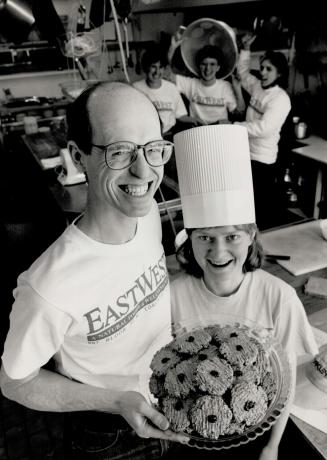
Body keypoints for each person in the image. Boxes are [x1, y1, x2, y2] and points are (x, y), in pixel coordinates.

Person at [0, 81, 189, 459]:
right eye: (120, 151)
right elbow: (16, 382)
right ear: (77, 154)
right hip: (107, 435)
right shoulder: (48, 287)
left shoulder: (149, 215)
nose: (144, 171)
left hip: (170, 397)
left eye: (154, 149)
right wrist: (117, 401)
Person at [169, 125, 318, 459]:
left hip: (256, 436)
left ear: (252, 235)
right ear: (188, 240)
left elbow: (287, 380)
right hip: (188, 437)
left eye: (231, 236)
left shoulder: (278, 298)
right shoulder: (172, 297)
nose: (219, 252)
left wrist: (273, 446)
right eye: (205, 237)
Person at [233, 34, 292, 230]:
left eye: (269, 69)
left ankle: (261, 248)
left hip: (262, 160)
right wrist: (245, 50)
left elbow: (263, 128)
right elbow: (242, 73)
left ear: (280, 73)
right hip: (245, 153)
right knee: (245, 205)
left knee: (259, 209)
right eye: (263, 68)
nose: (263, 72)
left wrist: (234, 128)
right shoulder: (258, 86)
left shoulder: (280, 99)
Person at [168, 33, 240, 125]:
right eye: (204, 64)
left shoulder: (225, 86)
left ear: (218, 67)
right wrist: (173, 48)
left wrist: (238, 89)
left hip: (220, 132)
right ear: (199, 66)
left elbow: (238, 114)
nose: (208, 69)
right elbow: (167, 74)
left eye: (212, 64)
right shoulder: (191, 84)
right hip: (197, 132)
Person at [133, 44, 197, 138]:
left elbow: (180, 116)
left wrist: (197, 121)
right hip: (146, 135)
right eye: (153, 67)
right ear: (146, 67)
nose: (157, 72)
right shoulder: (136, 88)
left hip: (170, 135)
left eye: (160, 67)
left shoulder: (172, 88)